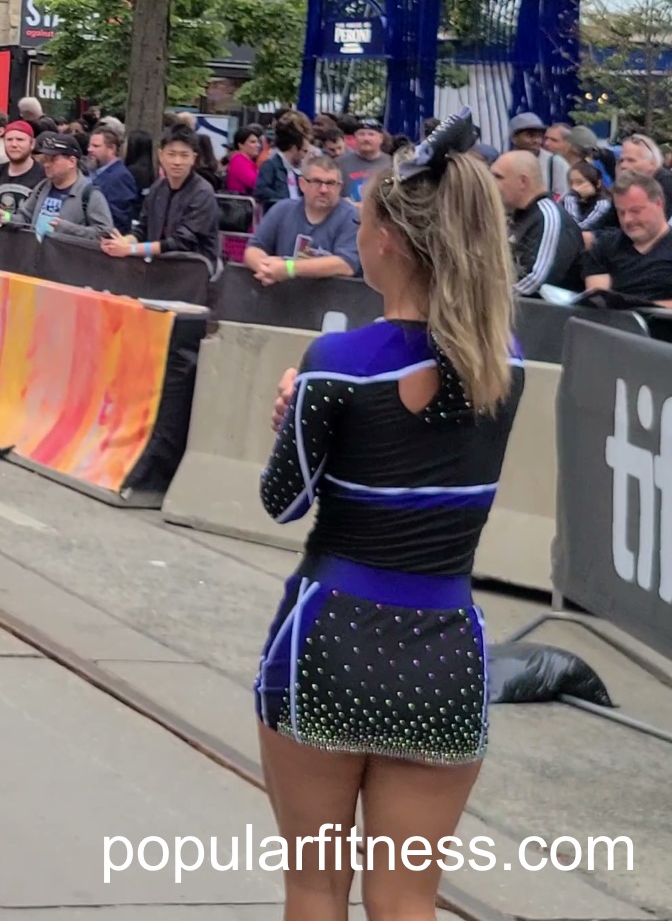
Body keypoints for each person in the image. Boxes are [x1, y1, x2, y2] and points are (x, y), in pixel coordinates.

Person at [254, 114, 522, 919]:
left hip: (330, 635)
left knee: (314, 886)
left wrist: (293, 410)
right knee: (409, 897)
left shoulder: (337, 363)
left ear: (388, 244)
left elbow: (283, 501)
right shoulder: (501, 366)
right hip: (444, 644)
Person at [101, 123, 221, 267]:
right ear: (161, 155)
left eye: (184, 155)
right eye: (171, 154)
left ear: (193, 158)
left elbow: (182, 242)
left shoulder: (203, 193)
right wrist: (125, 241)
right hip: (159, 266)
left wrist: (131, 249)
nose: (177, 162)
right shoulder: (157, 188)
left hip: (193, 269)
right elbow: (143, 229)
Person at [241, 152, 360, 285]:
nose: (324, 189)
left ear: (340, 188)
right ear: (302, 184)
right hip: (281, 297)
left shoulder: (350, 216)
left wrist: (289, 268)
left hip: (332, 300)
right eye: (316, 182)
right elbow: (253, 249)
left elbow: (346, 264)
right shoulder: (282, 209)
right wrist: (265, 269)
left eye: (331, 183)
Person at [492, 149, 583, 297]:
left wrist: (485, 300)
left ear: (523, 181)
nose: (491, 183)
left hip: (544, 316)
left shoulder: (549, 217)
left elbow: (535, 281)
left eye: (498, 177)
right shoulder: (520, 215)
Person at [583, 171, 672, 305]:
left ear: (658, 204)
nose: (627, 219)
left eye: (636, 211)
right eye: (621, 212)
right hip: (613, 323)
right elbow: (599, 300)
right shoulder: (605, 246)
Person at [12, 132, 114, 240]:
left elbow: (105, 233)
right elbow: (25, 216)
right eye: (45, 159)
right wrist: (6, 218)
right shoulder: (42, 187)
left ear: (71, 162)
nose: (46, 164)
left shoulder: (90, 194)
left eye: (53, 159)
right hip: (37, 254)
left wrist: (70, 229)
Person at [563, 159, 611, 234]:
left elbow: (578, 228)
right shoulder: (570, 199)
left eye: (580, 182)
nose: (574, 187)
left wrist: (571, 198)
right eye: (571, 183)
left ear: (598, 183)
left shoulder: (603, 203)